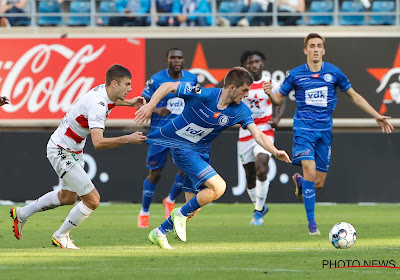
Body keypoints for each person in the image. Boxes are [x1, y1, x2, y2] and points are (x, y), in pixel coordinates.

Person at [134, 67, 291, 249]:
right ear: (232, 88)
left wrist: (274, 151)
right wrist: (151, 105)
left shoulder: (240, 110)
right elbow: (168, 86)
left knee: (193, 208)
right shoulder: (204, 94)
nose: (247, 95)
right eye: (245, 90)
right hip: (183, 149)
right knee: (219, 187)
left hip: (201, 152)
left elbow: (258, 135)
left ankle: (159, 232)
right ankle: (178, 215)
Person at [263, 33, 394, 235]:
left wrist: (377, 115)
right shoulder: (296, 74)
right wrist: (269, 92)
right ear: (305, 50)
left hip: (324, 132)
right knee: (311, 171)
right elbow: (278, 100)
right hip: (303, 129)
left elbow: (354, 96)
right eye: (312, 46)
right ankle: (312, 225)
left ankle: (300, 182)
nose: (315, 49)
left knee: (318, 182)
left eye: (319, 46)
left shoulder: (334, 73)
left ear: (323, 50)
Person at [10, 64, 147, 249]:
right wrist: (128, 138)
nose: (130, 88)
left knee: (68, 198)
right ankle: (61, 235)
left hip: (72, 149)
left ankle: (22, 213)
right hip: (61, 149)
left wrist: (129, 102)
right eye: (127, 84)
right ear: (114, 83)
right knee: (93, 200)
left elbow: (111, 100)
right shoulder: (98, 105)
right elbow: (98, 143)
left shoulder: (103, 91)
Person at [138, 48, 198, 228]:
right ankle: (144, 212)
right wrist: (156, 109)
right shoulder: (156, 80)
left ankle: (170, 199)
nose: (177, 60)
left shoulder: (191, 78)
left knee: (185, 170)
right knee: (155, 174)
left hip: (182, 134)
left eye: (180, 57)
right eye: (173, 57)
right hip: (159, 133)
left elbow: (194, 101)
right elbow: (142, 102)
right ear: (167, 60)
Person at [239, 50, 285, 225]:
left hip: (265, 130)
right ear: (245, 65)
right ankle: (259, 206)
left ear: (263, 63)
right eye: (250, 62)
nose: (255, 65)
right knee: (249, 175)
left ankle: (258, 212)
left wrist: (277, 118)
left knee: (262, 168)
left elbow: (281, 100)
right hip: (246, 132)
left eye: (258, 61)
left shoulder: (269, 82)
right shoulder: (241, 84)